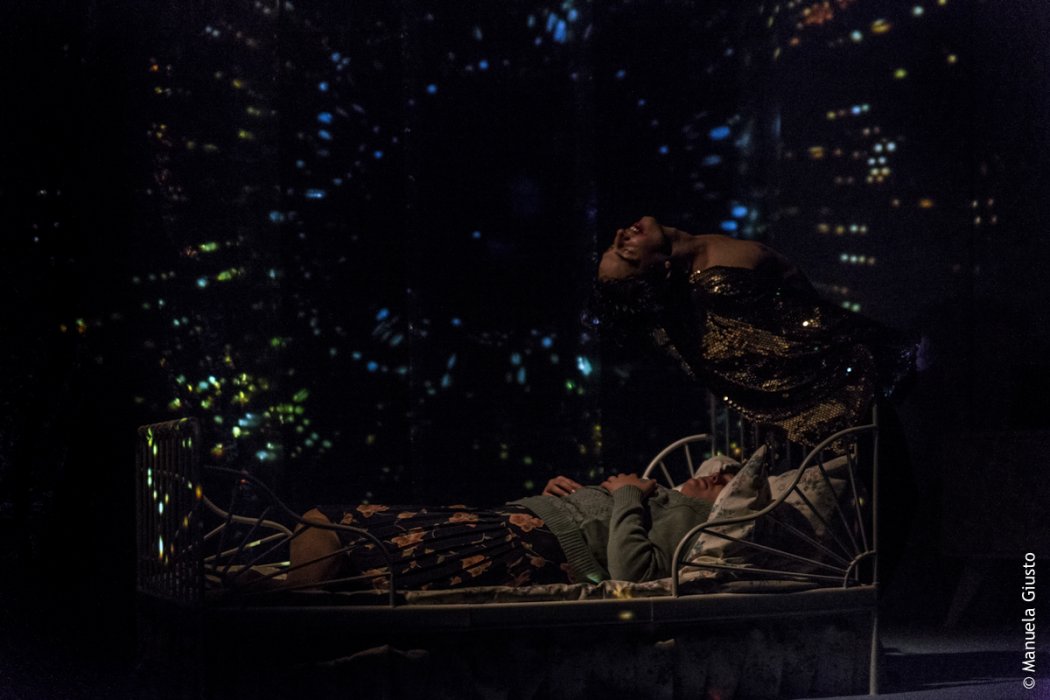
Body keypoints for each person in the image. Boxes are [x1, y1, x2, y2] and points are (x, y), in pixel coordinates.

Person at [593, 216, 916, 447]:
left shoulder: (704, 265)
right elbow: (799, 340)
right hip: (864, 393)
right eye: (626, 252)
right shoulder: (718, 286)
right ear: (661, 270)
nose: (621, 234)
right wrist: (881, 351)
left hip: (869, 382)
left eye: (615, 244)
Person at [286, 467, 736, 591]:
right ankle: (281, 598)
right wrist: (561, 497)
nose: (716, 473)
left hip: (522, 546)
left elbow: (633, 572)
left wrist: (627, 495)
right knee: (323, 522)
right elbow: (607, 520)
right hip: (514, 524)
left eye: (728, 479)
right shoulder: (665, 496)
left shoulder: (699, 518)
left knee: (333, 527)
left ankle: (285, 609)